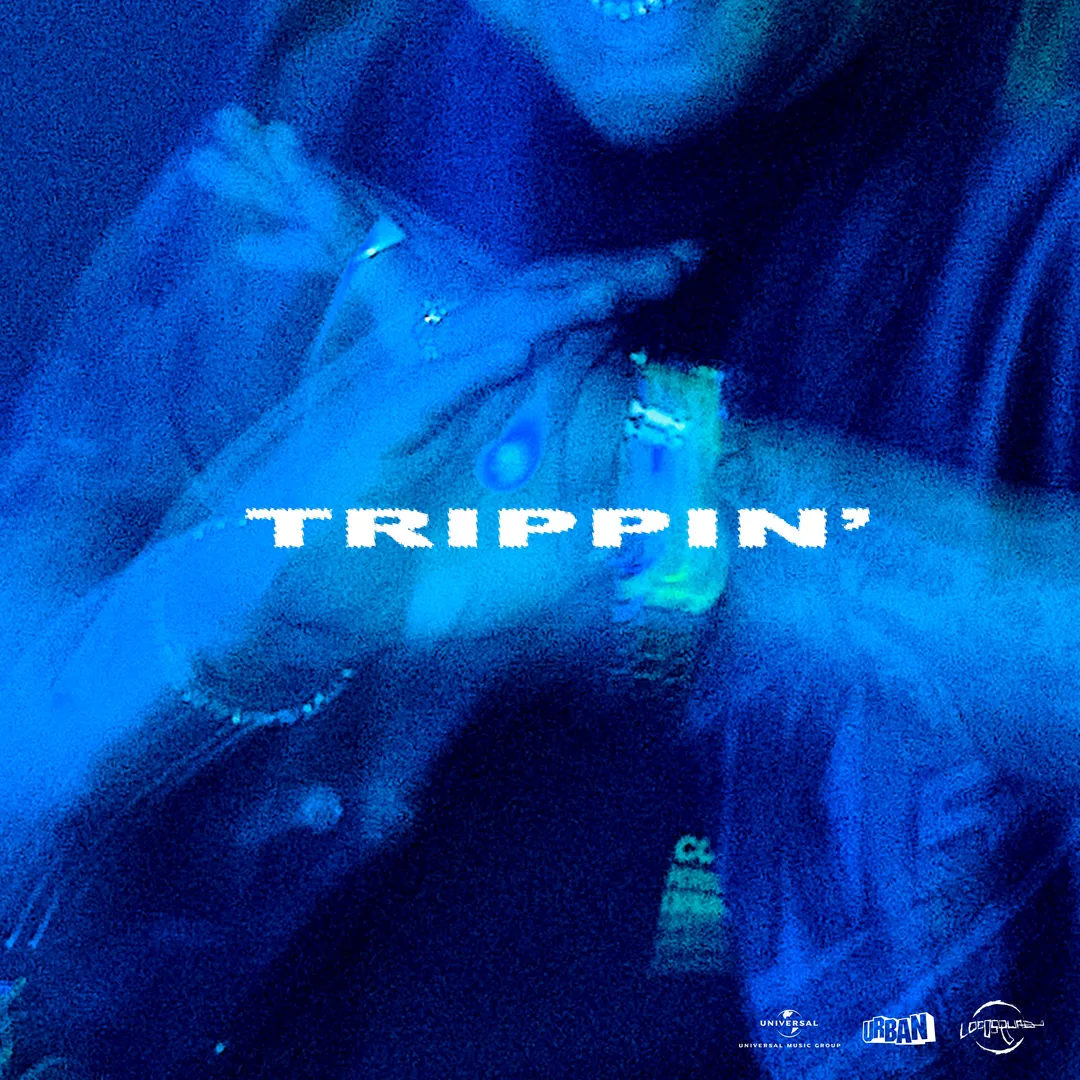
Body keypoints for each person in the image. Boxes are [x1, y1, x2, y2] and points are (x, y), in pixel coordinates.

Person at [1, 0, 1079, 1075]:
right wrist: (211, 629)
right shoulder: (346, 85)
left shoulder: (1037, 133)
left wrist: (662, 489)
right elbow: (31, 711)